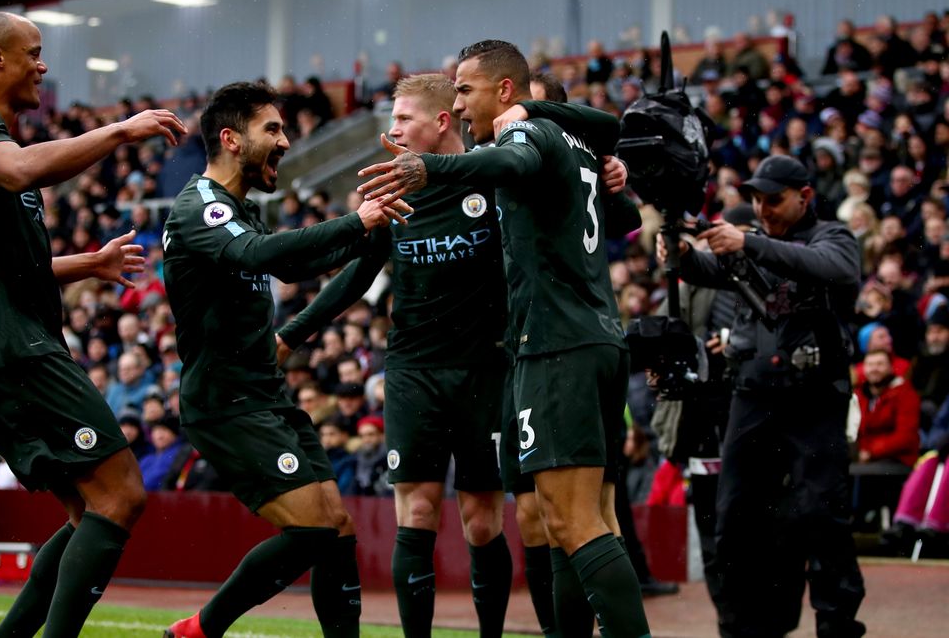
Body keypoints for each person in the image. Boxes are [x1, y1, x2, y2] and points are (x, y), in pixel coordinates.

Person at [279, 71, 632, 636]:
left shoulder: (498, 171)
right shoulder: (394, 194)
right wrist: (290, 336)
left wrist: (612, 179)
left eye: (402, 119)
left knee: (486, 524)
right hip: (413, 371)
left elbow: (595, 215)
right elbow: (356, 276)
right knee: (416, 513)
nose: (392, 132)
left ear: (442, 121)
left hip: (489, 370)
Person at [0, 10, 186, 637]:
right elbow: (19, 169)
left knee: (89, 515)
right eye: (33, 53)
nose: (43, 66)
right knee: (123, 495)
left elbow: (8, 269)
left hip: (2, 345)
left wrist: (88, 264)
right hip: (13, 347)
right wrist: (121, 132)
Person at [160, 81, 406, 638]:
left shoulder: (240, 209)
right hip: (225, 401)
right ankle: (200, 630)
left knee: (338, 528)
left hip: (264, 393)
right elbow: (258, 255)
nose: (286, 141)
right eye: (272, 129)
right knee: (315, 532)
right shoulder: (198, 206)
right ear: (230, 138)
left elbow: (291, 270)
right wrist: (356, 223)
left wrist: (371, 243)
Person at [659, 155, 865, 637]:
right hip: (753, 395)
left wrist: (750, 240)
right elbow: (709, 271)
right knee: (735, 518)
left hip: (814, 396)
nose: (763, 209)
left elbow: (830, 267)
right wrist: (681, 255)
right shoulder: (756, 245)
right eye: (755, 201)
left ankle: (836, 625)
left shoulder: (831, 237)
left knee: (819, 514)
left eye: (773, 200)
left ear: (805, 197)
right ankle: (746, 626)